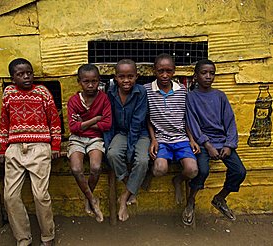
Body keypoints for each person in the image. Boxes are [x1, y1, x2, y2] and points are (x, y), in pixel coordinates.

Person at [0, 58, 60, 246]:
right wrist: (3, 148)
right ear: (12, 77)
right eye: (20, 74)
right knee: (10, 196)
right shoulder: (8, 93)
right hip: (14, 148)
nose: (26, 77)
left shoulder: (42, 92)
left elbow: (54, 119)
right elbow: (4, 122)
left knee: (40, 195)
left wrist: (55, 145)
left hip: (40, 146)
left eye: (29, 73)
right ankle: (23, 238)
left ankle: (47, 236)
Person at [185, 59, 246, 225]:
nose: (208, 76)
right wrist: (207, 145)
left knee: (239, 171)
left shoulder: (220, 96)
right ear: (196, 76)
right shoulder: (191, 97)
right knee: (202, 171)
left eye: (212, 73)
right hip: (204, 143)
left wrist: (229, 144)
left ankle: (220, 198)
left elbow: (230, 122)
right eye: (204, 73)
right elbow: (192, 124)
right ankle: (191, 201)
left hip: (223, 142)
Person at [144, 53, 199, 221]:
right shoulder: (146, 90)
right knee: (160, 169)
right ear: (154, 71)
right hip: (161, 139)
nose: (165, 75)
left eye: (169, 71)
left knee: (192, 170)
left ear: (174, 71)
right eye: (161, 71)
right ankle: (148, 173)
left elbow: (185, 118)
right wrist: (153, 139)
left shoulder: (182, 91)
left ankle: (178, 180)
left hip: (181, 138)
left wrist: (191, 139)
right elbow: (147, 118)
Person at [105, 59, 150, 222]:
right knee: (112, 154)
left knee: (143, 160)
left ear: (136, 76)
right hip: (122, 133)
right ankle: (132, 187)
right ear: (115, 77)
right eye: (121, 76)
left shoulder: (140, 92)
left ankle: (124, 197)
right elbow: (109, 121)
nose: (126, 80)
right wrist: (108, 143)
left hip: (140, 134)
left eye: (130, 76)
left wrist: (131, 149)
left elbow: (138, 122)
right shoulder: (110, 93)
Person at [67, 64, 112, 223]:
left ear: (99, 81)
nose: (91, 85)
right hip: (77, 139)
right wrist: (95, 119)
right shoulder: (73, 101)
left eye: (94, 81)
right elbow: (73, 127)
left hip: (95, 138)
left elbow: (107, 124)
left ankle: (88, 198)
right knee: (76, 168)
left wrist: (84, 122)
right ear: (79, 82)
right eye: (86, 81)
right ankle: (93, 199)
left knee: (95, 167)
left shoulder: (103, 98)